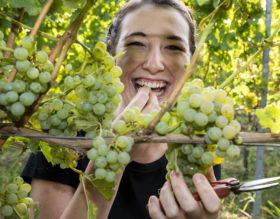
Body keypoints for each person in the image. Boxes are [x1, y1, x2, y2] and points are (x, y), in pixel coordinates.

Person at [21, 0, 222, 218]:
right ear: (111, 53)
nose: (154, 64)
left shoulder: (198, 143)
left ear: (191, 61)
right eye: (136, 43)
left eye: (173, 47)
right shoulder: (64, 136)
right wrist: (113, 155)